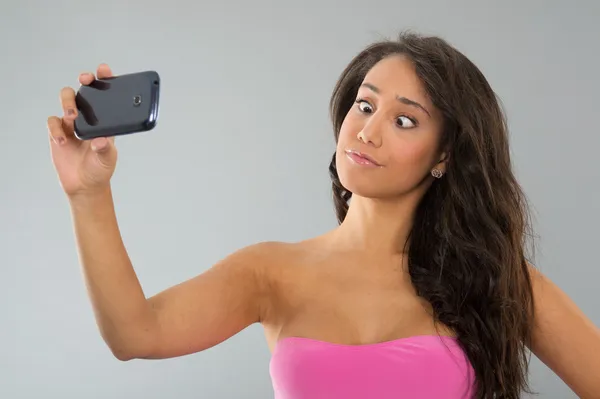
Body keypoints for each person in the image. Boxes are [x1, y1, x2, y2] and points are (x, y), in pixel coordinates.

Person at [46, 31, 600, 399]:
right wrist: (88, 195)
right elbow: (134, 334)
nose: (368, 130)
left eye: (405, 121)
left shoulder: (495, 281)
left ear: (445, 156)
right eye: (365, 104)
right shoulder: (270, 273)